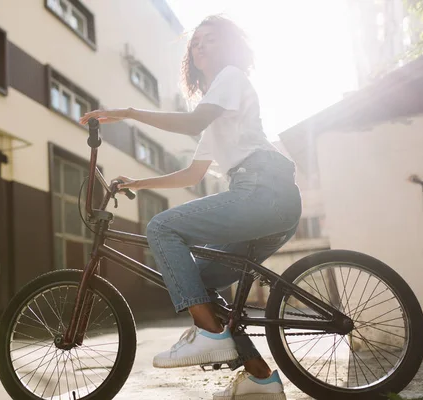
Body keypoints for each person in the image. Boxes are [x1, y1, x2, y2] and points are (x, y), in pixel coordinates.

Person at [80, 14, 300, 400]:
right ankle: (261, 379)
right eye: (195, 43)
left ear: (228, 46)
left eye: (209, 40)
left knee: (161, 227)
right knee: (198, 281)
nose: (200, 47)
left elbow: (189, 124)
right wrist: (138, 183)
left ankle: (210, 335)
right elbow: (192, 174)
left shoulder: (230, 77)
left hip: (263, 191)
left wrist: (130, 113)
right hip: (266, 203)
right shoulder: (217, 109)